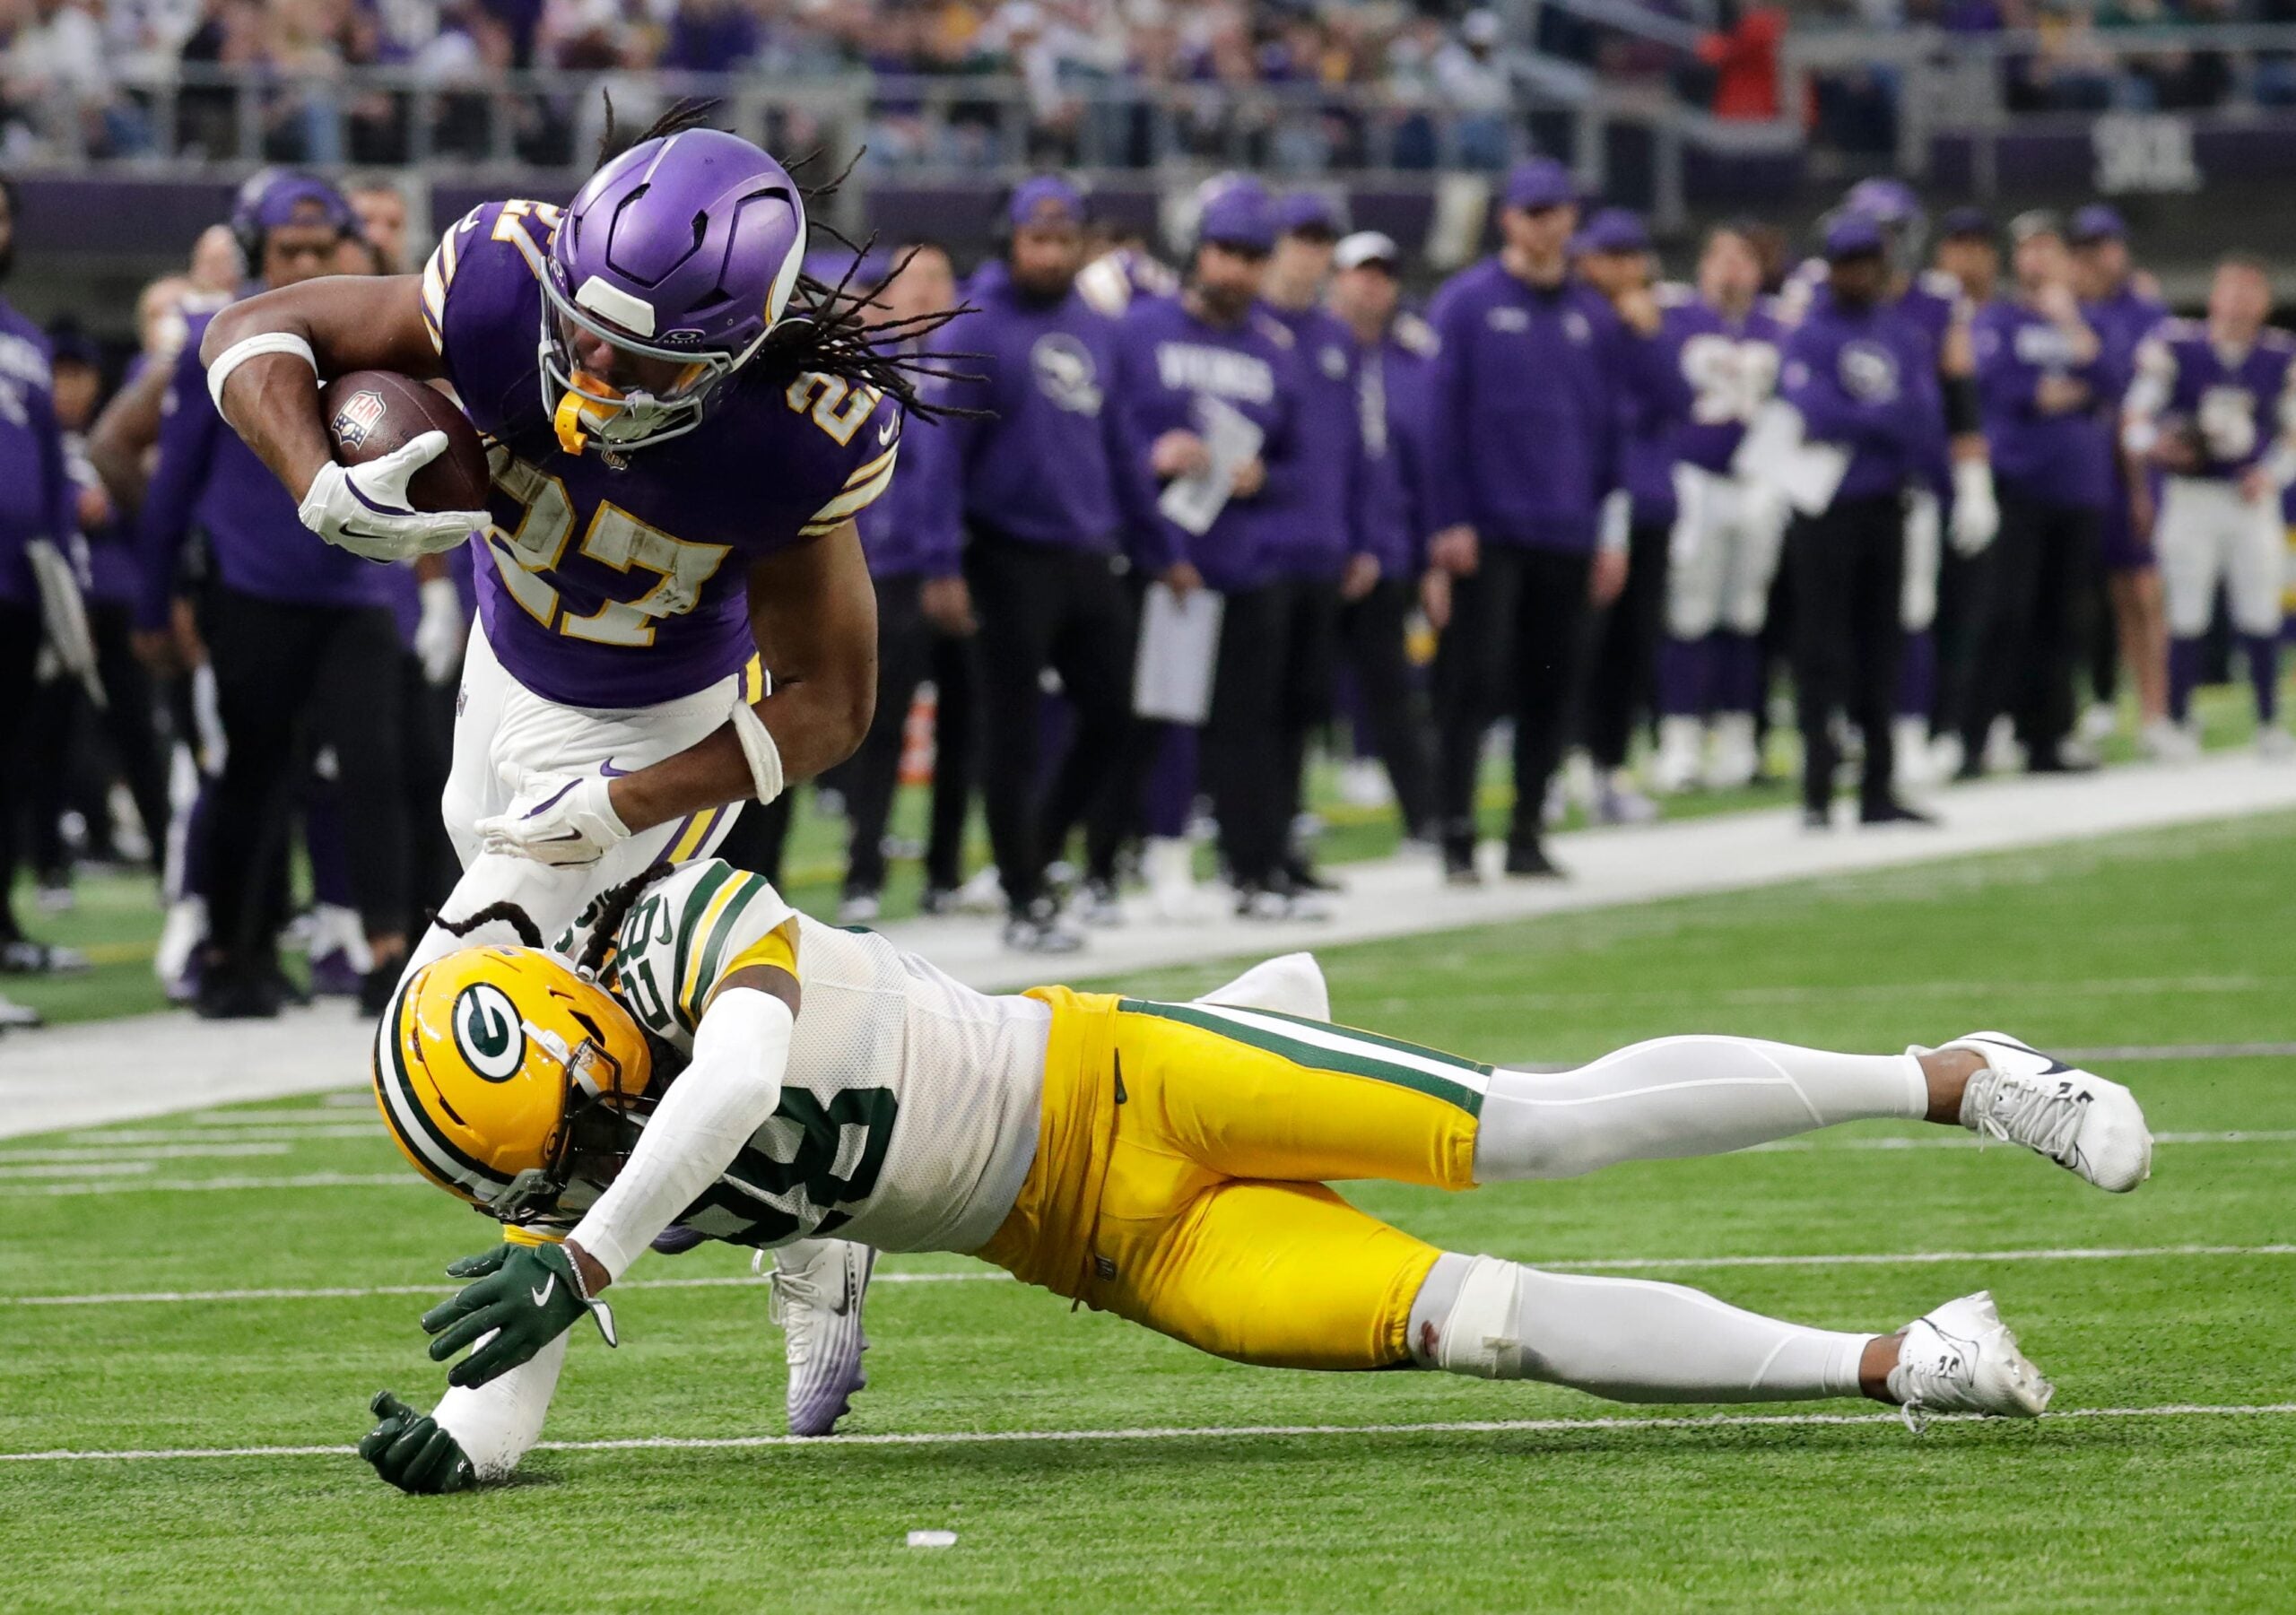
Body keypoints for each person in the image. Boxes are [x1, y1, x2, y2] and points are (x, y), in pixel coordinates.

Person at [352, 853, 2152, 1493]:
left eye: (576, 1132)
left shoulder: (679, 919)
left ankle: (1950, 1075)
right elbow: (527, 1337)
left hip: (1125, 1076)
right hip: (1097, 1251)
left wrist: (585, 1257)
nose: (583, 1168)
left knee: (1537, 1127)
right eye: (552, 1172)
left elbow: (738, 1077)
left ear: (573, 1017)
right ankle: (1891, 1361)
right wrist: (464, 1442)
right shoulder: (587, 1171)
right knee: (1483, 1327)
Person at [201, 108, 952, 1437]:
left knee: (478, 1032)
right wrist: (316, 478)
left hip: (662, 725)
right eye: (582, 325)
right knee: (611, 1037)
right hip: (502, 678)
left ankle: (488, 1415)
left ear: (734, 356)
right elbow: (252, 329)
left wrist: (623, 803)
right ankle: (809, 1203)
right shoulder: (503, 278)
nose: (590, 364)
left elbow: (833, 705)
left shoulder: (793, 436)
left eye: (638, 355)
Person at [134, 170, 415, 1020]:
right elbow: (170, 485)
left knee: (375, 767)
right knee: (252, 769)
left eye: (319, 248)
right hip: (251, 585)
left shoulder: (373, 334)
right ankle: (234, 950)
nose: (304, 264)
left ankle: (388, 954)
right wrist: (153, 602)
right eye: (288, 249)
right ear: (257, 252)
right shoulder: (218, 339)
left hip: (355, 586)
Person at [916, 178, 1192, 949]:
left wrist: (1163, 549)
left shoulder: (1094, 326)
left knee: (1114, 714)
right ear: (1011, 242)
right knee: (1011, 731)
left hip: (1087, 550)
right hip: (1003, 552)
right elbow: (941, 455)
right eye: (1037, 240)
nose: (1049, 254)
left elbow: (1122, 449)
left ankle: (1035, 852)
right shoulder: (973, 325)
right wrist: (941, 563)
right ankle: (1023, 897)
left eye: (1063, 240)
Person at [1422, 158, 1633, 882]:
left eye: (1557, 213)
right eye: (1533, 213)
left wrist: (1610, 530)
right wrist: (1448, 518)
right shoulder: (1466, 303)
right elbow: (1441, 419)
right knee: (1474, 681)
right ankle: (1455, 829)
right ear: (1508, 219)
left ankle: (1526, 829)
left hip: (1567, 525)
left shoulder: (1592, 315)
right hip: (1491, 526)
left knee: (1552, 682)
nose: (1547, 227)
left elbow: (1610, 431)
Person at [1112, 182, 1310, 919]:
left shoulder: (1275, 349)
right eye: (1226, 251)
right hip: (1162, 556)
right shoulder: (1141, 330)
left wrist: (1265, 477)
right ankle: (1159, 859)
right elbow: (1103, 437)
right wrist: (1151, 457)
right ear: (1199, 251)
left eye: (1252, 256)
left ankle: (1251, 868)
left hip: (1245, 557)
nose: (1236, 268)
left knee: (1248, 724)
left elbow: (1303, 463)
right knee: (1164, 716)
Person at [1776, 213, 1935, 829]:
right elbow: (1814, 412)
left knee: (1881, 648)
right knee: (1821, 649)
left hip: (1884, 502)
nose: (1860, 273)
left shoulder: (1897, 331)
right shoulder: (1810, 332)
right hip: (1825, 507)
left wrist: (1863, 418)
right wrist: (1879, 417)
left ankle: (1878, 788)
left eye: (1869, 261)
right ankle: (1817, 791)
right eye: (1849, 262)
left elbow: (1920, 416)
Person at [831, 239, 970, 927]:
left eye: (938, 276)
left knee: (965, 727)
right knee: (880, 726)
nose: (924, 290)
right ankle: (865, 871)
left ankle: (946, 872)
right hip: (886, 570)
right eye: (910, 278)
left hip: (961, 570)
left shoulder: (974, 367)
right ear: (884, 294)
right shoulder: (864, 369)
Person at [1953, 212, 2114, 777]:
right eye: (2028, 249)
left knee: (2063, 619)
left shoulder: (2089, 318)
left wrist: (2070, 325)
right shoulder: (1998, 319)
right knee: (2005, 612)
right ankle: (1971, 736)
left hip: (2078, 487)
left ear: (2068, 261)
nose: (2037, 259)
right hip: (2020, 484)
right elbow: (2005, 388)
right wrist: (2070, 389)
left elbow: (2112, 380)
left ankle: (2048, 737)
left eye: (2048, 248)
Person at [2120, 255, 2296, 754]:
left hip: (2249, 498)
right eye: (2231, 289)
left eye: (2250, 291)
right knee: (2186, 609)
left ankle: (2269, 723)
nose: (2239, 301)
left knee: (2260, 607)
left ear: (2265, 301)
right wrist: (2154, 447)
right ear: (2214, 295)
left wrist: (2271, 474)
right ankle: (2179, 721)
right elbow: (2135, 417)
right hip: (2191, 496)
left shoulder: (2280, 354)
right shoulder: (2177, 345)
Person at [1646, 223, 1788, 794]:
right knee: (1689, 613)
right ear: (1703, 265)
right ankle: (1680, 744)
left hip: (1757, 482)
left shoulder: (1778, 324)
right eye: (1721, 257)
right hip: (1696, 480)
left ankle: (1738, 742)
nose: (1731, 269)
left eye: (1743, 258)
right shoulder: (1675, 315)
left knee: (1746, 615)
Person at [1257, 191, 1373, 891]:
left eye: (1322, 240)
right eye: (1300, 237)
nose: (1310, 253)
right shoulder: (1249, 327)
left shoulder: (1335, 337)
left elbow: (1354, 450)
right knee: (1255, 709)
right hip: (1260, 548)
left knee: (1303, 707)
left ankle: (1286, 845)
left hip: (1323, 545)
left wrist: (1360, 536)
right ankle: (1252, 853)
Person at [0, 167, 92, 1009]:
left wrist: (65, 581)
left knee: (12, 771)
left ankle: (4, 930)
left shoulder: (25, 340)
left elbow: (52, 478)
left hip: (20, 589)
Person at [1325, 230, 1437, 840]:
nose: (1373, 286)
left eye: (1384, 275)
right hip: (1315, 548)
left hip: (1392, 549)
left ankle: (1424, 817)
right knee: (1291, 692)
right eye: (1362, 273)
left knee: (1394, 687)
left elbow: (1425, 463)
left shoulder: (1413, 361)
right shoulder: (1307, 347)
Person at [1568, 206, 1669, 825]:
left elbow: (1676, 398)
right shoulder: (1573, 317)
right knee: (1572, 643)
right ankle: (1557, 765)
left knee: (1631, 644)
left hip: (1646, 498)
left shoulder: (1651, 320)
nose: (1624, 269)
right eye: (1613, 256)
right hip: (1579, 500)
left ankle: (1609, 766)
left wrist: (1649, 338)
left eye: (1633, 256)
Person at [2069, 204, 2179, 758]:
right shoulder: (2072, 308)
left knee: (2144, 588)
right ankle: (2110, 701)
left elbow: (2143, 390)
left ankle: (2158, 710)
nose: (2100, 257)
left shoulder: (2145, 308)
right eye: (2089, 248)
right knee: (2102, 592)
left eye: (2106, 245)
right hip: (2087, 458)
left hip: (2135, 460)